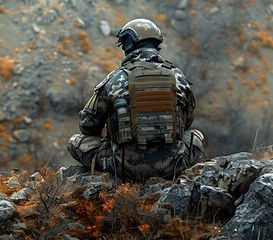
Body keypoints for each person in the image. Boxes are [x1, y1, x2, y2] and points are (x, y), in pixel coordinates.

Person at [68, 18, 205, 181]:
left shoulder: (116, 78)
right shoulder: (178, 76)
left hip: (123, 166)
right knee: (196, 136)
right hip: (173, 164)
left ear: (128, 44)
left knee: (75, 141)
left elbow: (88, 125)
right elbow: (187, 122)